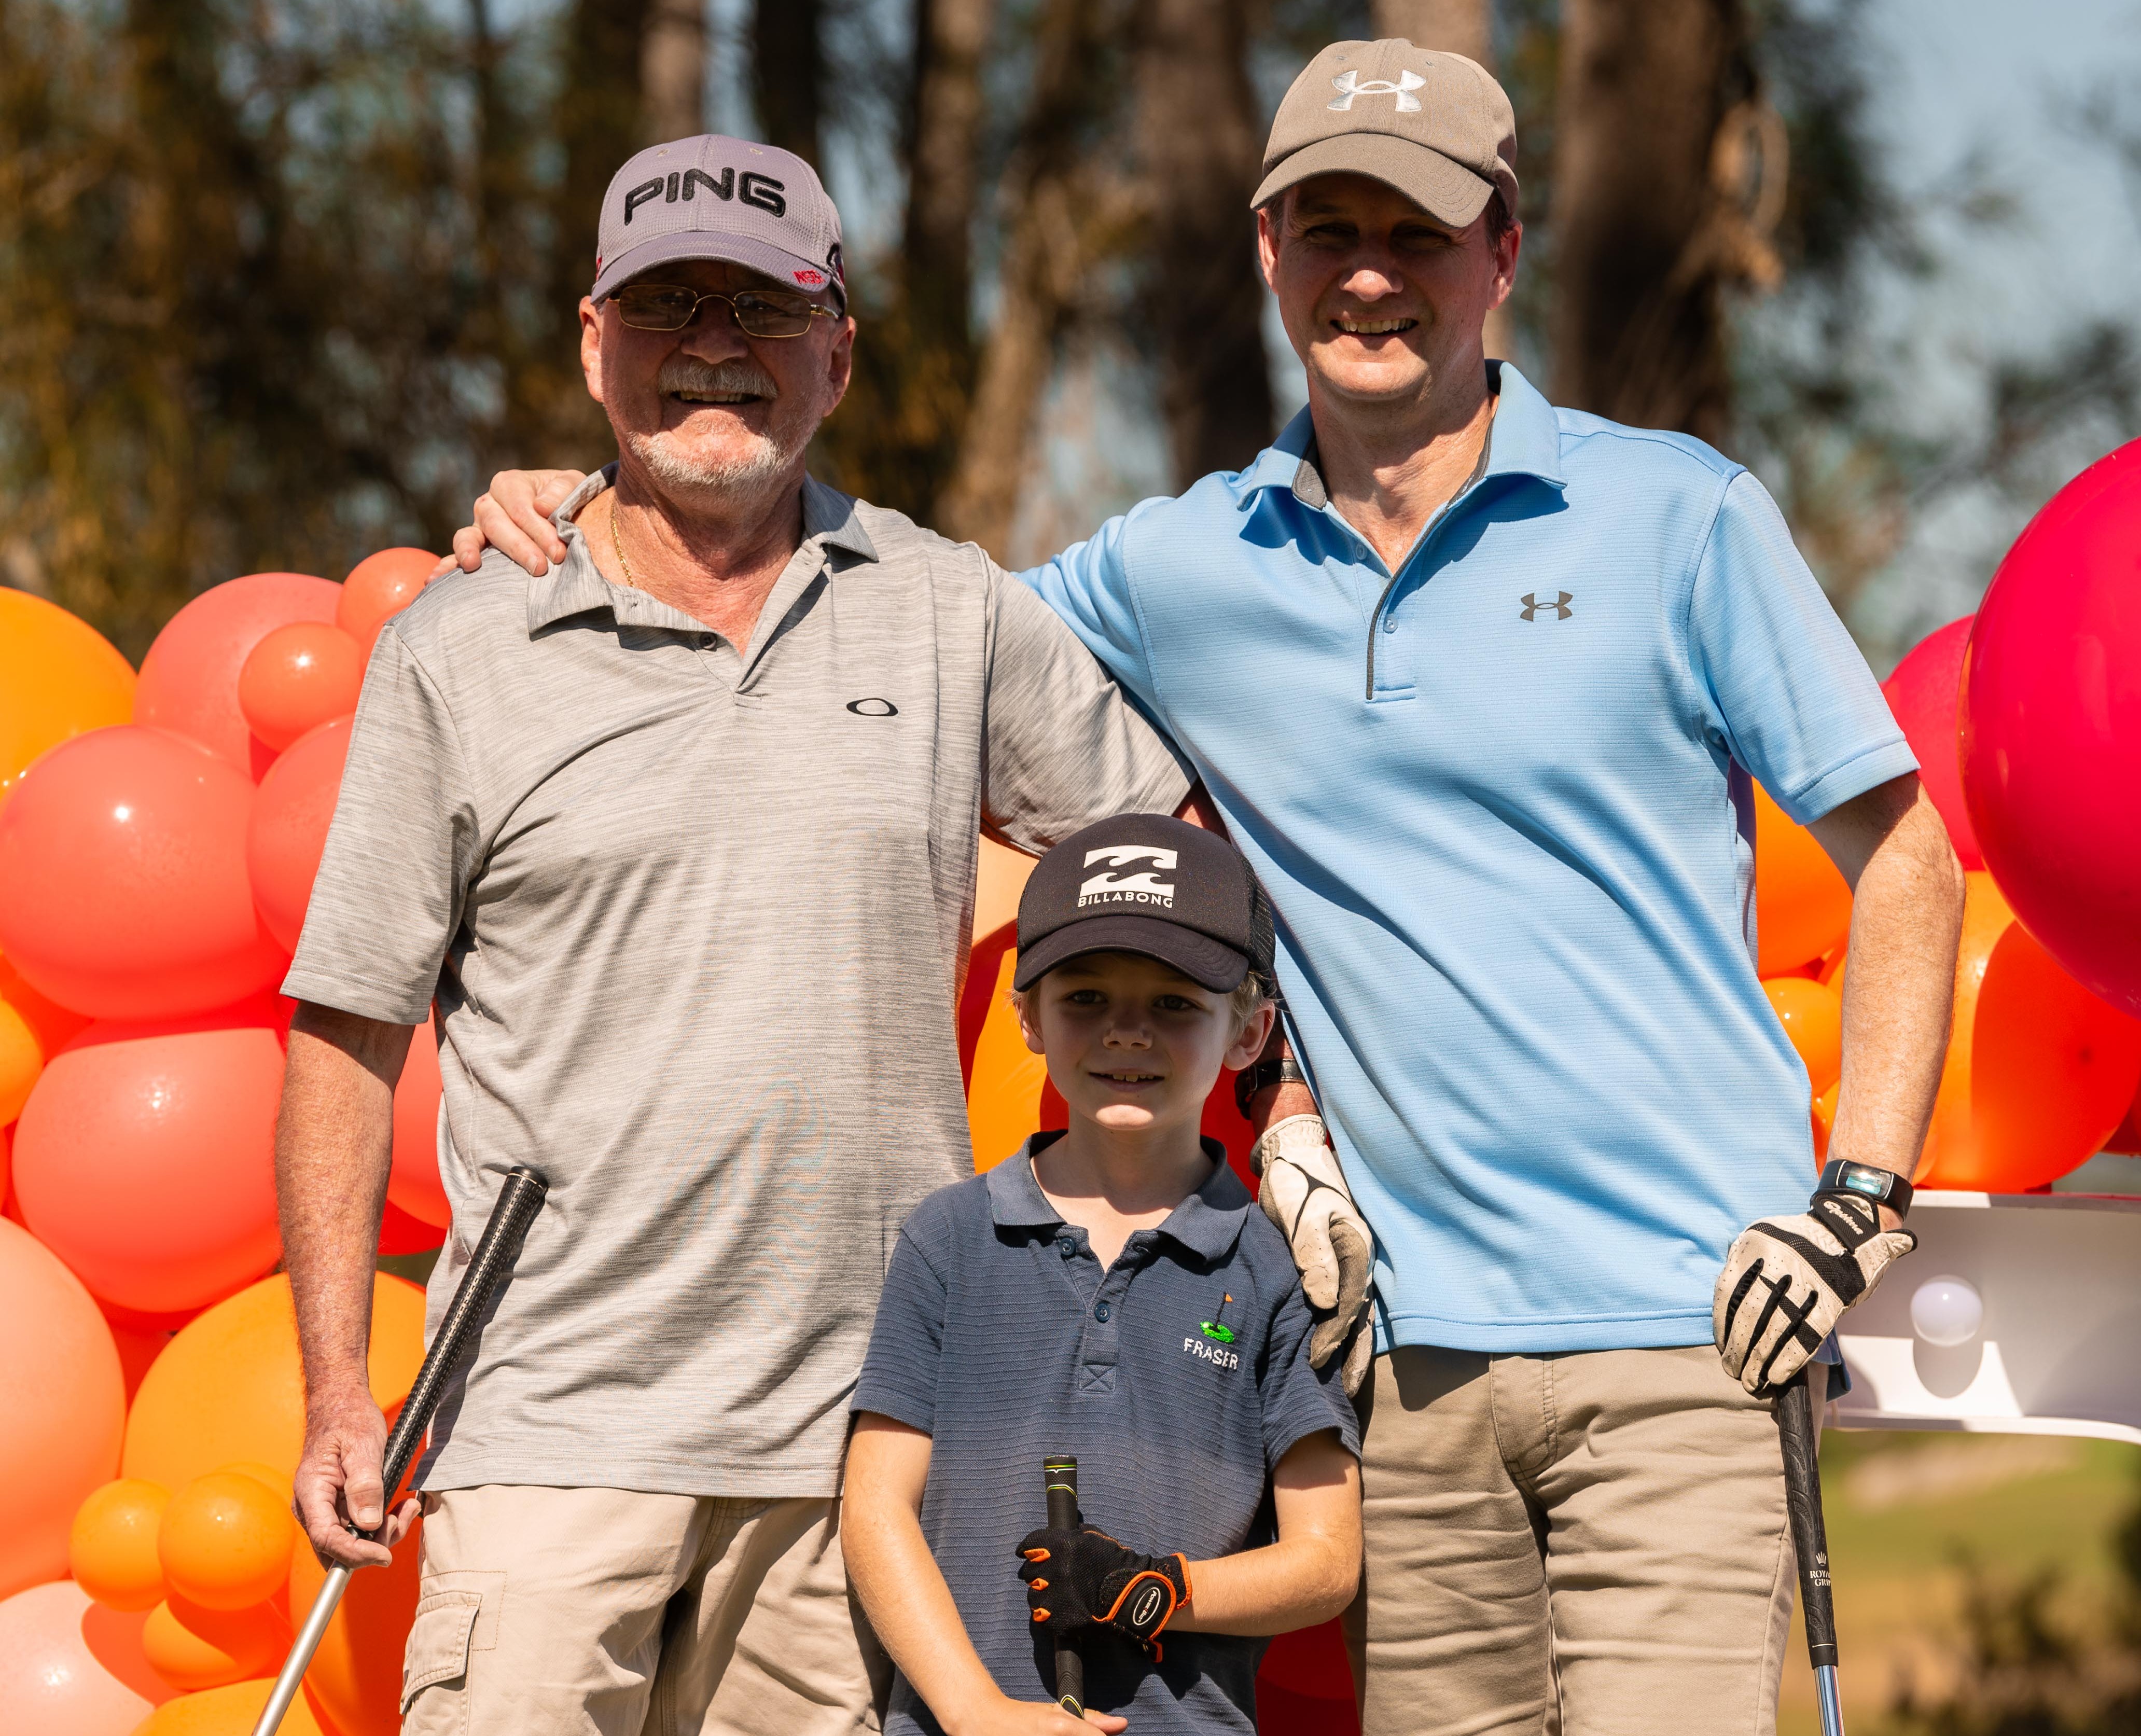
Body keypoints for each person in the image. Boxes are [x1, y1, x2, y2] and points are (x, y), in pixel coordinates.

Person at [454, 37, 1966, 1736]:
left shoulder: (1677, 514)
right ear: (1264, 254)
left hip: (1679, 1334)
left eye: (1416, 227)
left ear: (1502, 252)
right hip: (1402, 1365)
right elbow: (876, 615)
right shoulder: (1183, 563)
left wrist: (1854, 1199)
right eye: (1325, 227)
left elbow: (1899, 855)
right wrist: (599, 504)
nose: (1370, 272)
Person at [274, 133, 1194, 1736]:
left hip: (866, 1445)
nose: (715, 346)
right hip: (549, 1429)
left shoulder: (947, 607)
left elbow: (1168, 868)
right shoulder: (464, 642)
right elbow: (347, 1030)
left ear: (836, 351)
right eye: (668, 302)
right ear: (593, 341)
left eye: (763, 309)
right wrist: (339, 1388)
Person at [843, 814, 1361, 1736]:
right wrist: (973, 1710)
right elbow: (876, 1507)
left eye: (1174, 1003)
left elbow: (1326, 1562)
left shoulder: (1274, 1269)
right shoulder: (948, 1238)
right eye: (1086, 998)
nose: (1128, 1033)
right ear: (1027, 1017)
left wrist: (1153, 1590)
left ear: (1250, 1032)